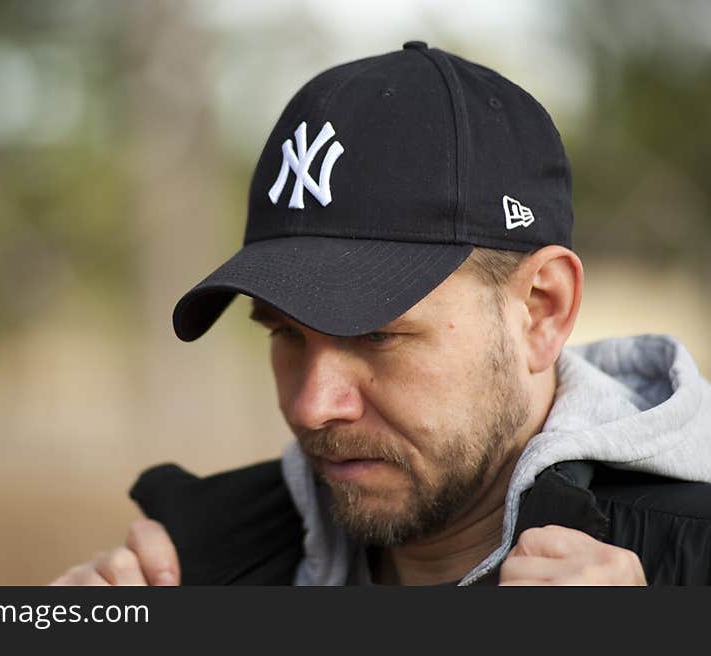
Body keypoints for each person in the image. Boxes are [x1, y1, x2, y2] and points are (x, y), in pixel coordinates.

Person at [52, 41, 711, 586]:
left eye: (376, 334)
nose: (312, 407)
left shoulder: (686, 562)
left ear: (542, 310)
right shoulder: (193, 567)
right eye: (284, 332)